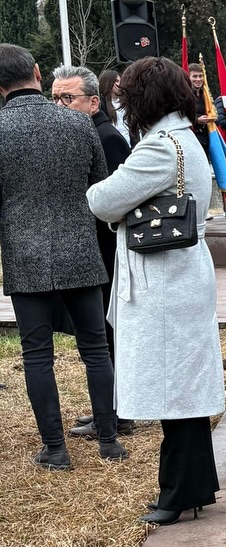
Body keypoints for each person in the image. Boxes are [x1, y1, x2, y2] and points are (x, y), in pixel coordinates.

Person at [89, 57, 226, 525]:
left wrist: (118, 209)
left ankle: (179, 492)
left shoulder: (158, 148)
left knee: (177, 393)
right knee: (183, 390)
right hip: (178, 276)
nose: (121, 106)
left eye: (126, 98)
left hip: (164, 282)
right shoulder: (182, 138)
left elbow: (102, 199)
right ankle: (189, 487)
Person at [0, 43, 125, 470]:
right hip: (80, 248)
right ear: (37, 72)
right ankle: (109, 439)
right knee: (95, 348)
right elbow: (101, 187)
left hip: (24, 253)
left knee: (37, 355)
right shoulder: (78, 123)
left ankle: (55, 449)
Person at [50, 64, 136, 440]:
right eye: (55, 98)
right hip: (90, 253)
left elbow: (114, 202)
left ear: (94, 102)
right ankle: (109, 408)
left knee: (108, 337)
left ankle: (118, 413)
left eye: (68, 98)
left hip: (106, 252)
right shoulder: (83, 135)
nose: (59, 106)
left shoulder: (107, 138)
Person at [100, 67, 129, 144]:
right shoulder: (101, 103)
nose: (120, 84)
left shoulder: (125, 100)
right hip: (113, 142)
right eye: (117, 81)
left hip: (128, 142)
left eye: (120, 81)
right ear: (108, 83)